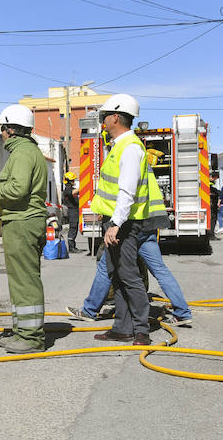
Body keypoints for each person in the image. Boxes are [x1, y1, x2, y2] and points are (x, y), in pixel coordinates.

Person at [67, 170, 192, 325]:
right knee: (160, 269)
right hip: (150, 223)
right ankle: (182, 311)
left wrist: (113, 221)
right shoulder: (146, 165)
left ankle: (90, 310)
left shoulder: (127, 160)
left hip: (132, 226)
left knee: (106, 267)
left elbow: (125, 196)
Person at [0, 104, 48, 354]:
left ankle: (30, 338)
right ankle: (23, 333)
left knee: (24, 282)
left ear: (10, 130)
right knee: (20, 281)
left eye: (2, 129)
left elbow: (18, 189)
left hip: (23, 222)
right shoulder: (27, 151)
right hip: (25, 221)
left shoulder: (22, 154)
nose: (1, 134)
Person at [87, 93, 155, 346]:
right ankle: (123, 327)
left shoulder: (130, 147)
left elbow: (127, 190)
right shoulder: (119, 146)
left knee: (129, 276)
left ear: (116, 117)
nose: (103, 120)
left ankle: (141, 330)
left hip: (124, 224)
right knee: (117, 275)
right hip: (116, 221)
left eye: (105, 115)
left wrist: (115, 224)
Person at [62, 171, 84, 253]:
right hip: (72, 212)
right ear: (68, 181)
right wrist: (84, 185)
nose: (73, 181)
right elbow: (73, 192)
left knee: (74, 228)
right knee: (73, 228)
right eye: (72, 180)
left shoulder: (72, 189)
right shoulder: (67, 190)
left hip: (75, 211)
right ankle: (71, 248)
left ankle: (73, 246)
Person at [209, 172, 220, 238]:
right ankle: (211, 234)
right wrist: (217, 192)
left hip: (212, 204)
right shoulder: (210, 182)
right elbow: (211, 190)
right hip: (212, 204)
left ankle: (211, 233)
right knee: (213, 219)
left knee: (213, 219)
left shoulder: (210, 182)